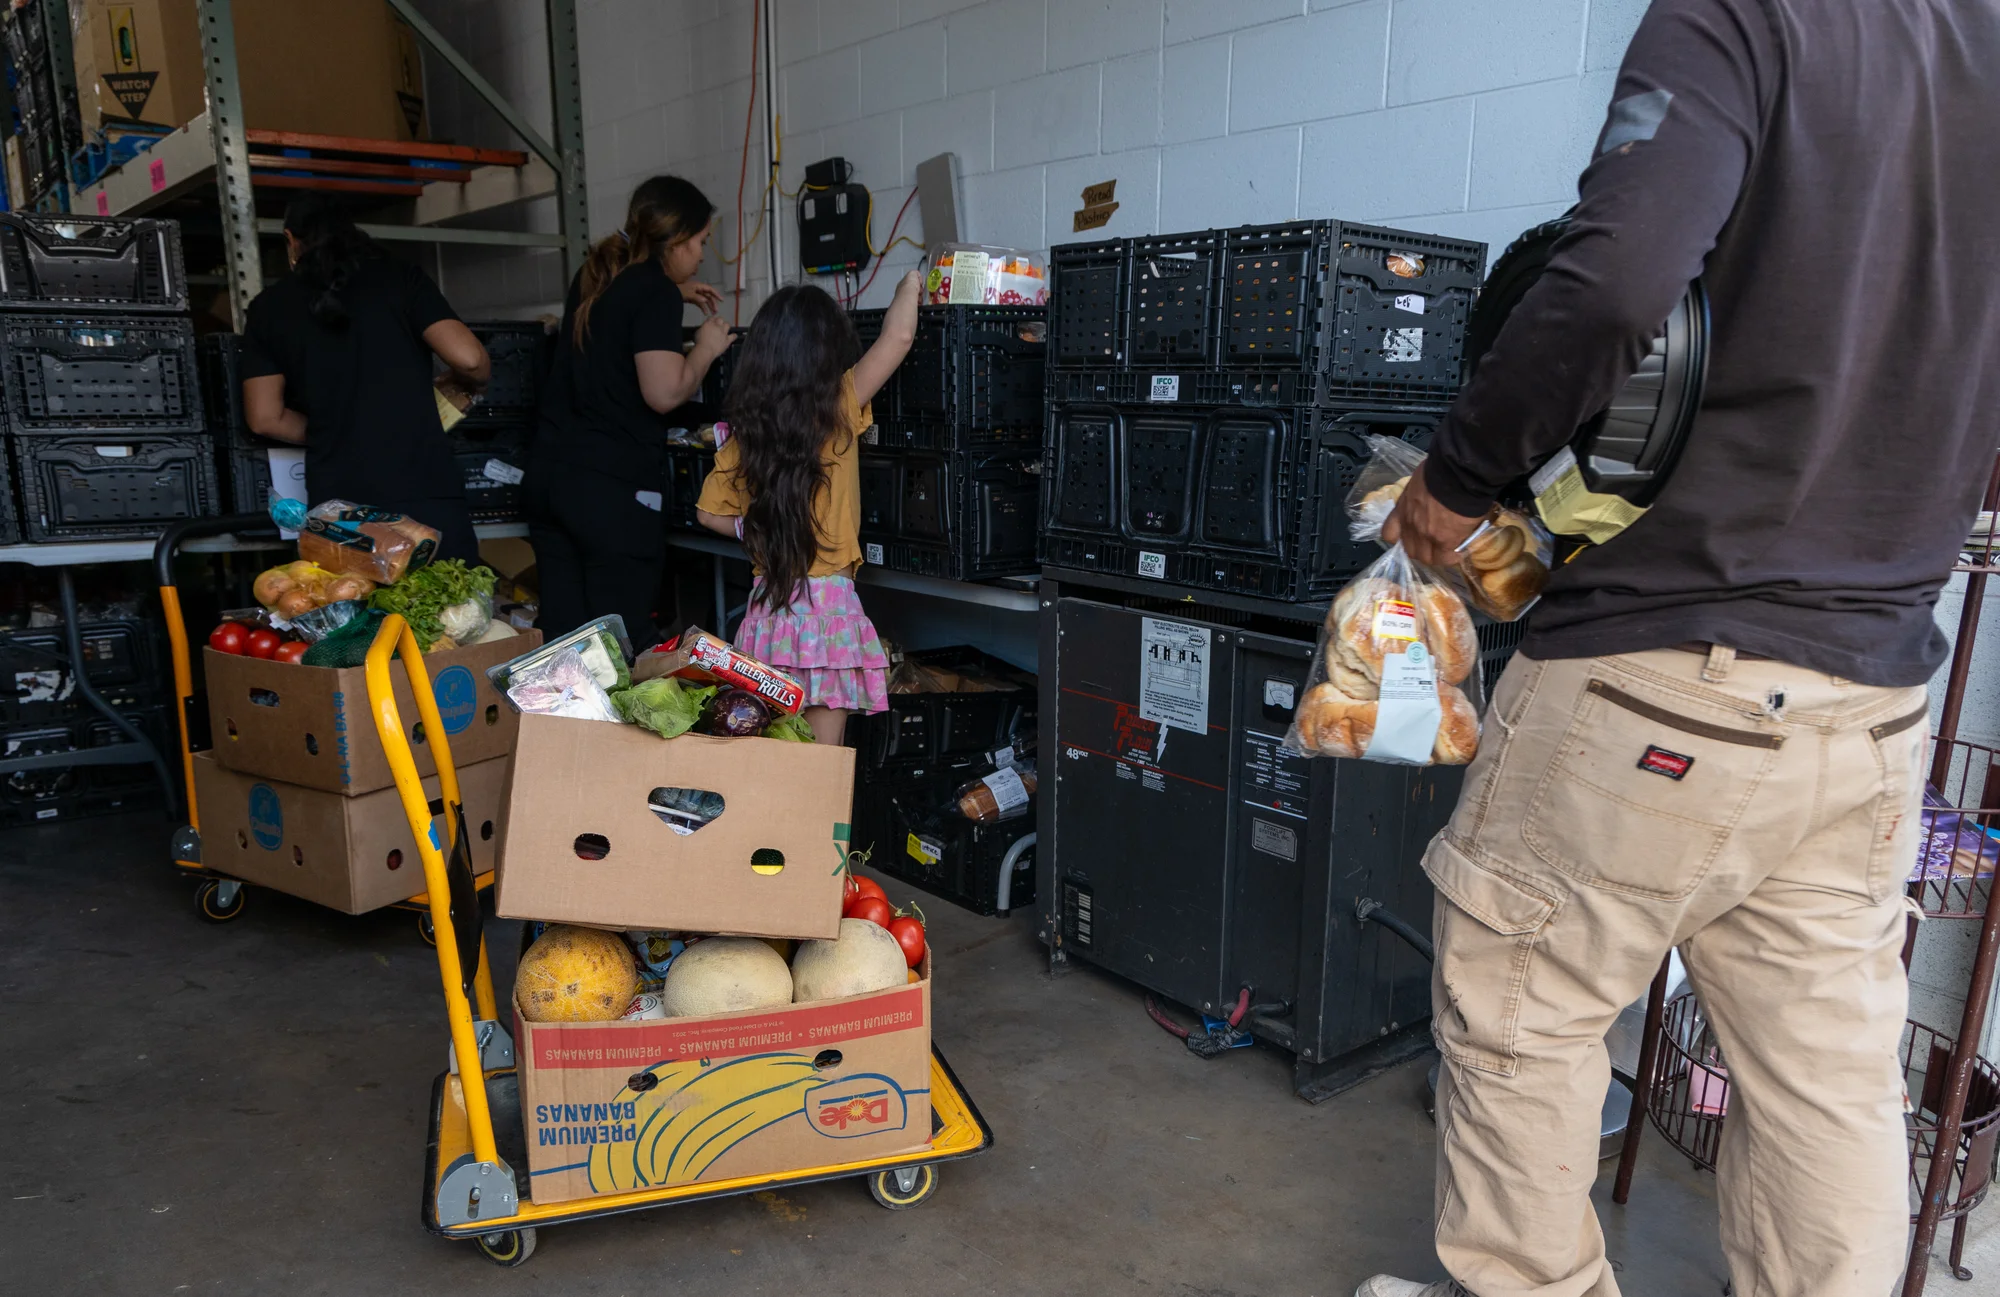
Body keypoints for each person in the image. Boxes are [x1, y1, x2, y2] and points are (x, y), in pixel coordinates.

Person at [1359, 4, 2000, 1297]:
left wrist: (1459, 478)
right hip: (1872, 707)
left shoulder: (1749, 14)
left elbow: (1610, 274)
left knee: (1522, 1027)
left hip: (1659, 671)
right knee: (1827, 1092)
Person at [693, 273, 921, 745]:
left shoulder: (744, 435)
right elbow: (898, 335)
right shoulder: (838, 406)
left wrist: (754, 529)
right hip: (830, 615)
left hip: (767, 615)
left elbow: (706, 515)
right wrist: (912, 282)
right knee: (821, 769)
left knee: (772, 760)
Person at [526, 176, 735, 645]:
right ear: (678, 239)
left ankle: (556, 723)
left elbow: (622, 311)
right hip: (610, 494)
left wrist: (675, 292)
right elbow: (664, 393)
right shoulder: (653, 291)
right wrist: (706, 347)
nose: (702, 255)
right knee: (619, 643)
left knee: (565, 642)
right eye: (701, 241)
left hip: (552, 480)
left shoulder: (597, 276)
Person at [240, 195, 490, 565]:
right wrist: (467, 382)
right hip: (424, 488)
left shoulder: (269, 307)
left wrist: (337, 428)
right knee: (450, 615)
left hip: (339, 503)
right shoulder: (401, 278)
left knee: (358, 618)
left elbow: (265, 417)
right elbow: (469, 359)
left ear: (292, 240)